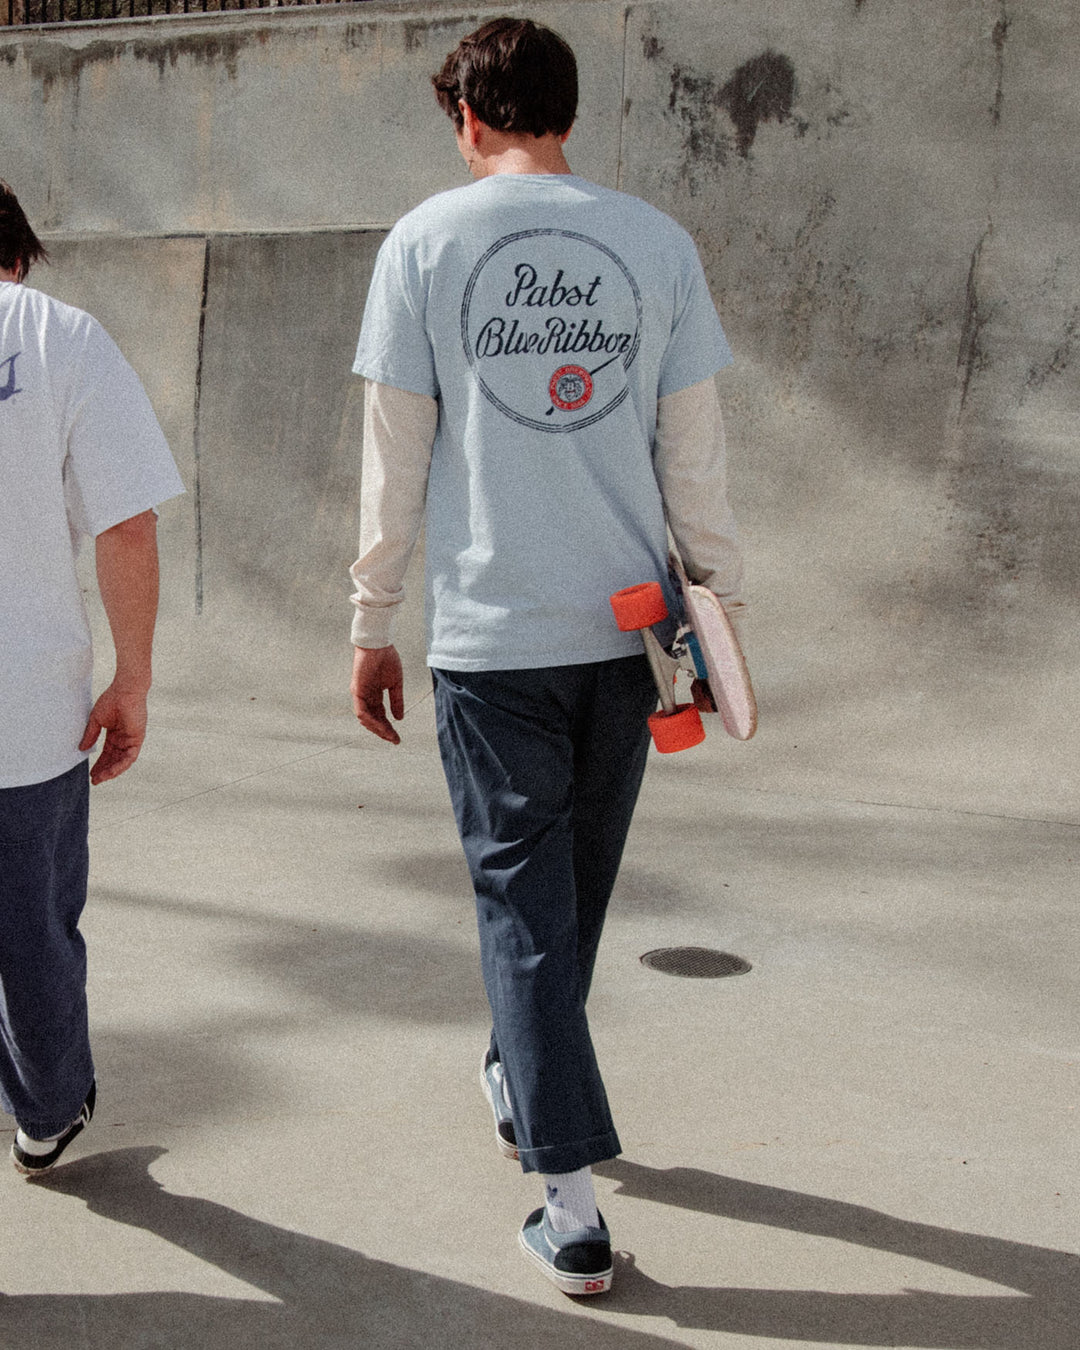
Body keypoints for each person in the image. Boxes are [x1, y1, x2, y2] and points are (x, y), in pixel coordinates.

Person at [348, 18, 745, 1294]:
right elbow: (694, 446)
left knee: (528, 903)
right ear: (566, 112)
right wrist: (718, 600)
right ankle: (520, 1070)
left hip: (491, 636)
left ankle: (568, 1207)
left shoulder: (424, 243)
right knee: (566, 892)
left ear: (469, 117)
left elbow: (395, 457)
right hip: (631, 634)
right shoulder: (655, 243)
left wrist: (371, 619)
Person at [0, 181, 184, 1175]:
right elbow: (127, 522)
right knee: (31, 929)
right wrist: (133, 681)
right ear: (17, 254)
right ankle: (46, 1112)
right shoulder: (60, 336)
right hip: (25, 715)